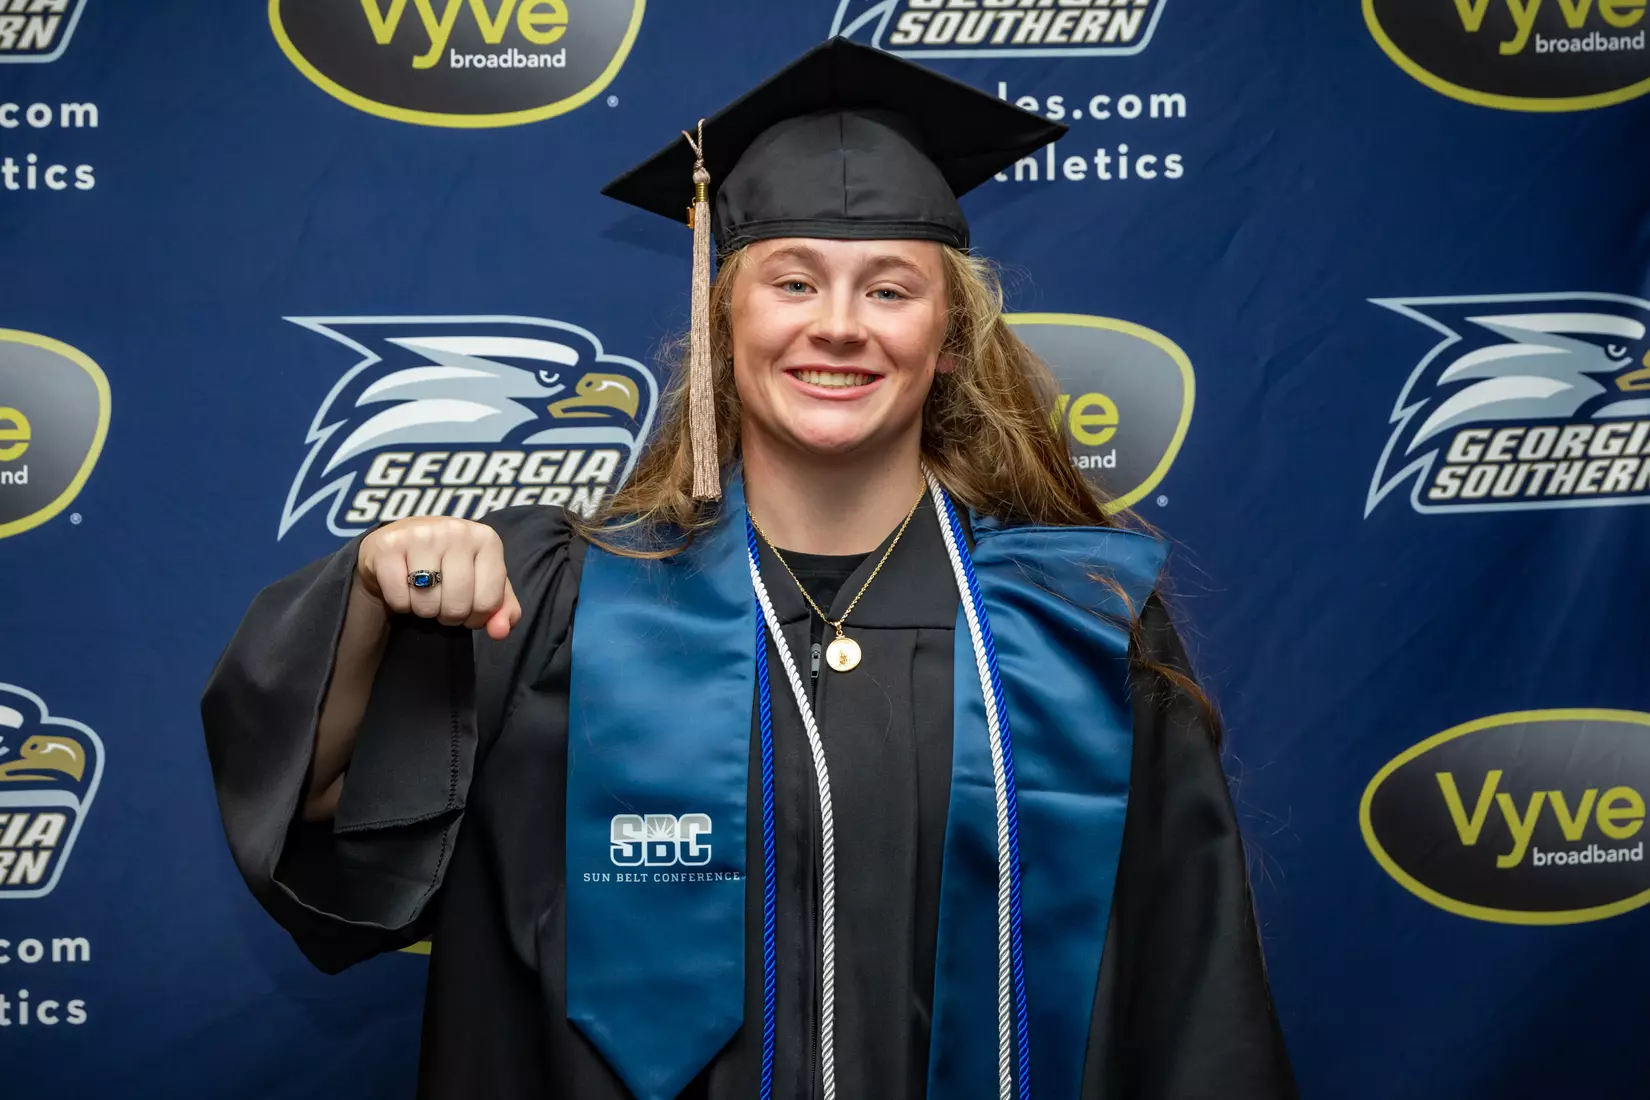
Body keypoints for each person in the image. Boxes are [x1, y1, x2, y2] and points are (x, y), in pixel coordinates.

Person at [202, 37, 1296, 1100]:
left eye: (889, 290)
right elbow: (333, 810)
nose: (837, 326)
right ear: (722, 317)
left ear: (949, 338)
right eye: (792, 280)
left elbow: (1194, 995)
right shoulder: (566, 604)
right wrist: (372, 594)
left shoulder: (1074, 622)